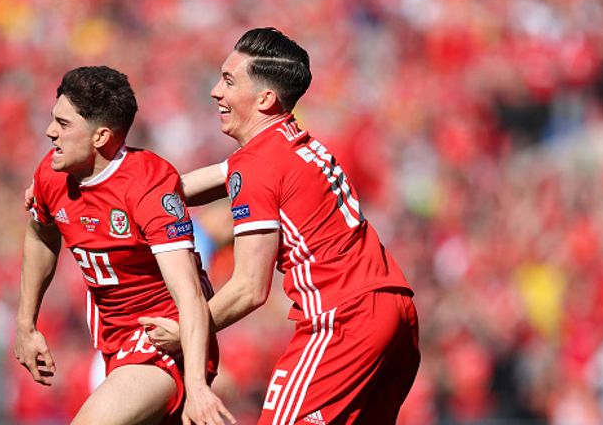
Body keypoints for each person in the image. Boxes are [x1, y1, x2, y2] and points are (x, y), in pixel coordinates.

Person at [138, 28, 420, 424]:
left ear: (266, 99)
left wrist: (188, 330)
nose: (215, 91)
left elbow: (250, 288)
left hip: (343, 318)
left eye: (229, 81)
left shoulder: (258, 164)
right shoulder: (288, 141)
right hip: (395, 309)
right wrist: (128, 192)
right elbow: (205, 181)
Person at [14, 66, 235, 425]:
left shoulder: (147, 186)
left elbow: (190, 294)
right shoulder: (52, 175)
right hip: (112, 343)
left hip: (163, 341)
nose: (50, 132)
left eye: (64, 124)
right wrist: (26, 324)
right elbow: (41, 234)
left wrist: (196, 386)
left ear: (100, 136)